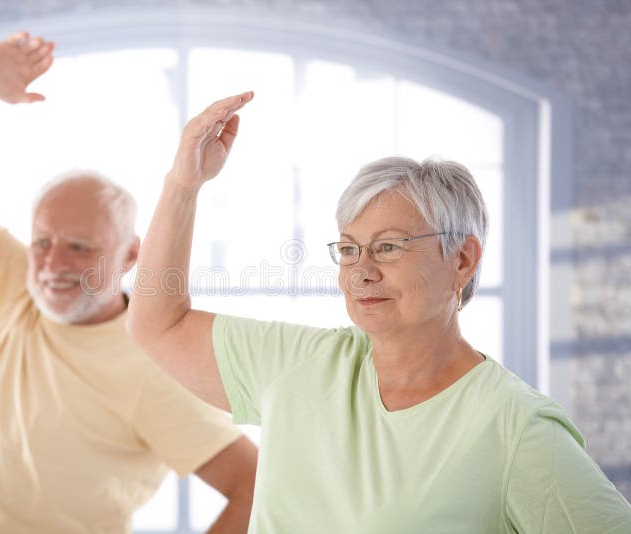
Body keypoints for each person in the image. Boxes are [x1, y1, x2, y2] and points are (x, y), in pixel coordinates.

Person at [127, 92, 631, 533]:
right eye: (348, 250)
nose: (361, 271)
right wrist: (182, 186)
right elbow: (157, 323)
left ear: (463, 259)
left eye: (389, 247)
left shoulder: (514, 429)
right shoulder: (295, 365)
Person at [0, 33, 257, 534]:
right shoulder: (14, 284)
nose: (53, 265)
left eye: (81, 247)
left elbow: (254, 487)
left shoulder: (158, 368)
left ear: (132, 254)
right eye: (43, 242)